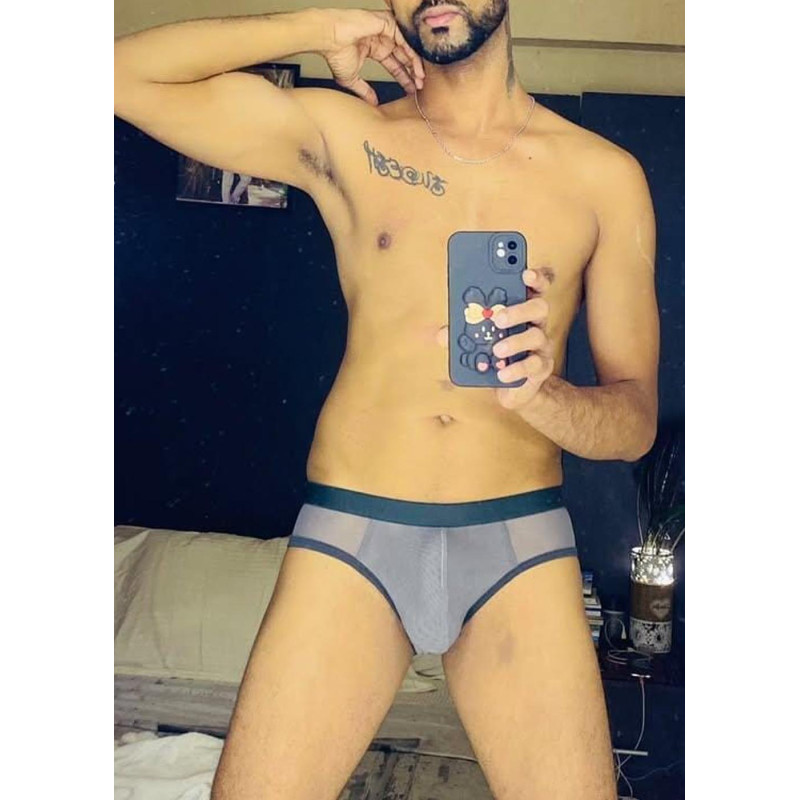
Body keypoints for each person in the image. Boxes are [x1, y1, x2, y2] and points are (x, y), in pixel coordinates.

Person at [114, 3, 660, 798]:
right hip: (353, 533)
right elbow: (118, 76)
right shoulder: (349, 135)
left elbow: (635, 424)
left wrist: (545, 397)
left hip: (516, 540)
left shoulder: (603, 175)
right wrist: (311, 28)